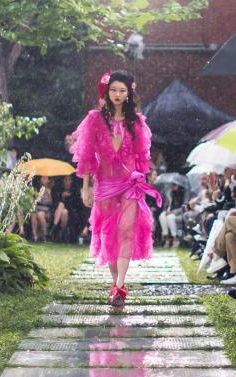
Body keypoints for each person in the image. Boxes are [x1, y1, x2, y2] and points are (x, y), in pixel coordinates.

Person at [70, 69, 160, 307]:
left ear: (129, 93)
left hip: (130, 185)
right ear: (107, 92)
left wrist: (144, 177)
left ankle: (120, 285)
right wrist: (86, 188)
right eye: (113, 90)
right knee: (109, 234)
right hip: (105, 185)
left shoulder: (137, 122)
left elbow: (142, 155)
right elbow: (87, 157)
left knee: (126, 231)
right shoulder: (94, 120)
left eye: (122, 90)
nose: (117, 94)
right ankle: (114, 283)